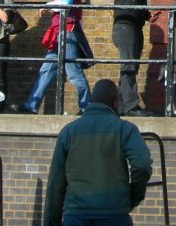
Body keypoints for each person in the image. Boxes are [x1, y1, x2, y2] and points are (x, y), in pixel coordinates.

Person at [44, 78, 153, 226]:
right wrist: (132, 197)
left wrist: (52, 222)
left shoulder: (68, 132)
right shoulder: (125, 129)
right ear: (115, 101)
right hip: (114, 214)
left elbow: (55, 183)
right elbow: (142, 164)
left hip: (76, 215)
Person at [16, 0, 91, 114]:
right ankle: (31, 105)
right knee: (47, 69)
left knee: (73, 72)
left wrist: (48, 5)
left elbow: (65, 3)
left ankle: (87, 107)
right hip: (59, 32)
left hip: (67, 32)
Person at [112, 0, 159, 116]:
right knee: (129, 66)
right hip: (125, 27)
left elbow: (135, 0)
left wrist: (147, 15)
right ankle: (131, 106)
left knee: (131, 67)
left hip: (135, 27)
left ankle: (120, 105)